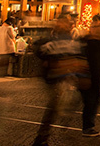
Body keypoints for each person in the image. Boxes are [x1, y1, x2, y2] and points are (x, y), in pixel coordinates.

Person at [32, 14, 84, 145]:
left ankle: (61, 122)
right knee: (53, 106)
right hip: (54, 78)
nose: (63, 25)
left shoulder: (70, 39)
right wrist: (48, 61)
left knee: (72, 101)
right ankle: (42, 137)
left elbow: (76, 54)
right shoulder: (51, 38)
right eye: (61, 23)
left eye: (65, 23)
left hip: (67, 77)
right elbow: (39, 48)